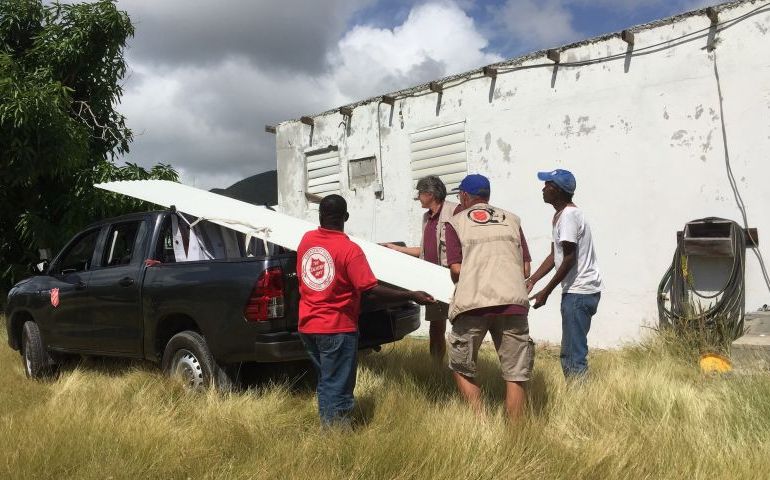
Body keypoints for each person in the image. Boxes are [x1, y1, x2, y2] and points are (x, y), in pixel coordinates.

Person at [297, 194, 435, 427]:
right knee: (339, 385)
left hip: (308, 326)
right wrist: (410, 295)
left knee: (326, 380)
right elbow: (370, 291)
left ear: (320, 216)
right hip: (336, 327)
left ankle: (326, 426)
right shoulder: (350, 250)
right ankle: (336, 438)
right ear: (346, 217)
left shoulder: (306, 240)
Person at [443, 174, 534, 421]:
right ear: (487, 195)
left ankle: (481, 422)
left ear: (463, 196)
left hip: (473, 304)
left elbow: (455, 269)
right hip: (513, 303)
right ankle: (515, 434)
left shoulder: (455, 222)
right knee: (516, 373)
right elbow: (525, 269)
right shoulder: (512, 220)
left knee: (461, 366)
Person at [527, 169, 603, 379]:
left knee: (572, 354)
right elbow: (555, 255)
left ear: (557, 190)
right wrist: (533, 279)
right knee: (571, 351)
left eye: (547, 185)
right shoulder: (561, 216)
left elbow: (569, 258)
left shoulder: (569, 217)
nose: (543, 189)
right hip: (579, 291)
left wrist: (546, 291)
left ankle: (580, 403)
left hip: (579, 293)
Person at [383, 175, 459, 361]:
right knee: (436, 327)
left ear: (430, 194)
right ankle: (436, 367)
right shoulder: (427, 218)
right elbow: (425, 250)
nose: (418, 197)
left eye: (420, 193)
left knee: (462, 325)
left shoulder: (455, 211)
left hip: (455, 278)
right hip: (433, 279)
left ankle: (461, 368)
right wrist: (398, 249)